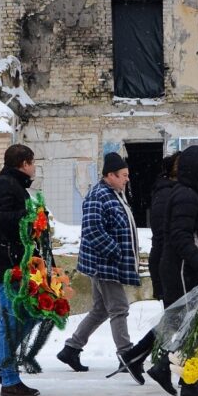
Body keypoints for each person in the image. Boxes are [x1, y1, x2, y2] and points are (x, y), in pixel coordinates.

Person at [56, 152, 140, 373]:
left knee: (101, 309)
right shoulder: (98, 196)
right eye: (123, 175)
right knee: (119, 308)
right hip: (104, 264)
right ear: (110, 175)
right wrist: (116, 252)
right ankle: (126, 355)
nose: (127, 179)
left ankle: (71, 348)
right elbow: (93, 230)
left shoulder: (113, 193)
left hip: (108, 262)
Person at [157, 145, 198, 396]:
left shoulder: (187, 194)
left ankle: (167, 369)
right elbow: (180, 236)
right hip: (183, 271)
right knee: (189, 325)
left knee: (184, 324)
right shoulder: (185, 196)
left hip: (184, 269)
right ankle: (189, 383)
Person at [116, 153, 180, 393]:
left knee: (176, 318)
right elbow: (169, 234)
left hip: (168, 261)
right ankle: (151, 362)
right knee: (177, 318)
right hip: (167, 263)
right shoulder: (167, 194)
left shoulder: (172, 191)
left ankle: (141, 359)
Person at [0, 143, 40, 396]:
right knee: (10, 320)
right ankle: (9, 379)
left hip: (16, 262)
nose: (35, 167)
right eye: (33, 162)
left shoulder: (12, 185)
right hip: (6, 264)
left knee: (32, 313)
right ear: (24, 164)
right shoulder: (3, 184)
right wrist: (28, 215)